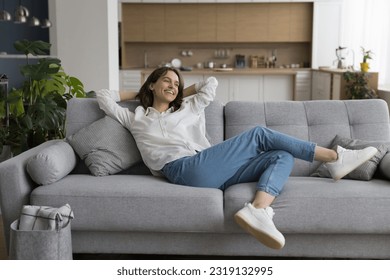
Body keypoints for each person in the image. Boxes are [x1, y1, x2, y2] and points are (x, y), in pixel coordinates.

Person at [96, 66, 377, 250]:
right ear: (153, 84)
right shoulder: (135, 117)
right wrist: (143, 92)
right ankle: (334, 157)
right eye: (166, 81)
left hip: (210, 166)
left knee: (280, 155)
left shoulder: (188, 108)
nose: (172, 85)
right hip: (181, 170)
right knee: (258, 134)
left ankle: (259, 209)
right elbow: (103, 96)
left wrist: (182, 91)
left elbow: (210, 83)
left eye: (176, 83)